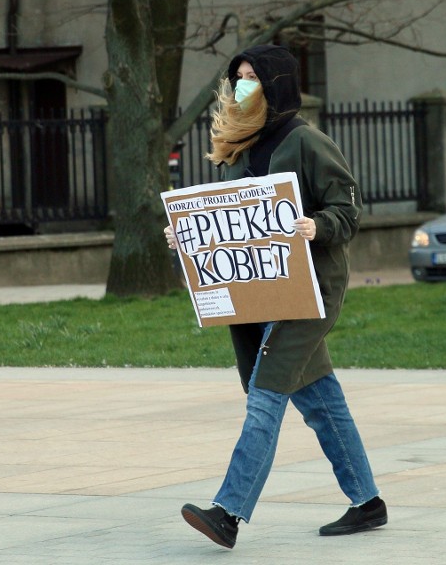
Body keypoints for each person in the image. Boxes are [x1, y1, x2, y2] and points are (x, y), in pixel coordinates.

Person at [164, 44, 386, 549]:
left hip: (307, 292)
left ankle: (228, 512)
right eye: (237, 78)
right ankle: (368, 502)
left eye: (251, 78)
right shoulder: (240, 147)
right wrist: (188, 235)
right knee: (321, 400)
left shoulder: (307, 141)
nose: (241, 87)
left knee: (266, 396)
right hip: (256, 290)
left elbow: (348, 210)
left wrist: (316, 225)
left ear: (277, 83)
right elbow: (228, 218)